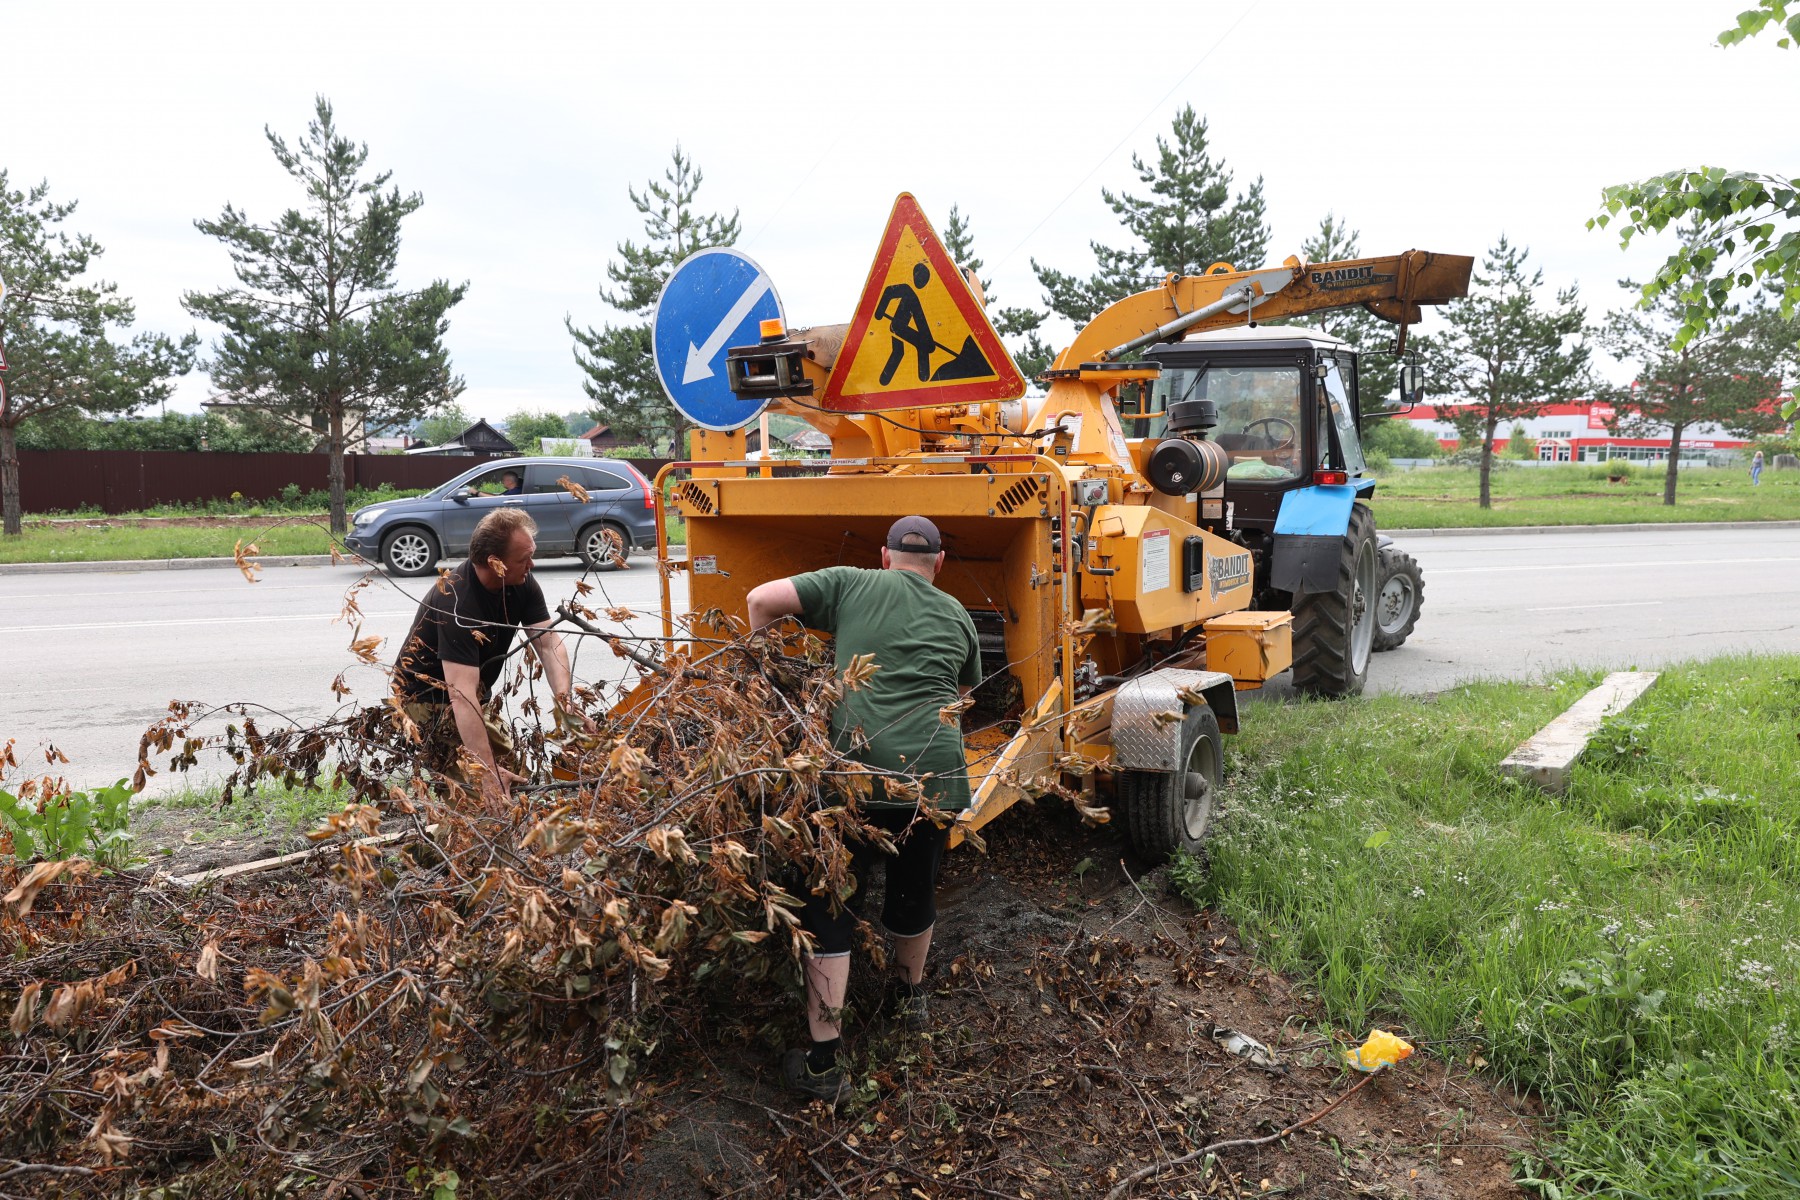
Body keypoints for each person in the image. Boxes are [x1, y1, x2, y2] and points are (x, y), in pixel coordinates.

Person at [746, 515, 982, 1102]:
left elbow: (760, 599)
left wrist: (767, 679)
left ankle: (825, 1064)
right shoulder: (957, 615)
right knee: (914, 887)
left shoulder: (850, 582)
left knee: (831, 902)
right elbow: (965, 696)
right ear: (939, 565)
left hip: (854, 776)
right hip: (935, 775)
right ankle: (909, 1000)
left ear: (884, 556)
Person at [392, 507, 587, 807]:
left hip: (470, 694)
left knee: (515, 776)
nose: (531, 565)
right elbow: (460, 695)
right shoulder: (455, 601)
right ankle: (460, 840)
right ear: (495, 563)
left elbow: (548, 645)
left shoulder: (521, 583)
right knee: (478, 796)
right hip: (425, 700)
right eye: (523, 559)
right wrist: (486, 772)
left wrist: (566, 704)